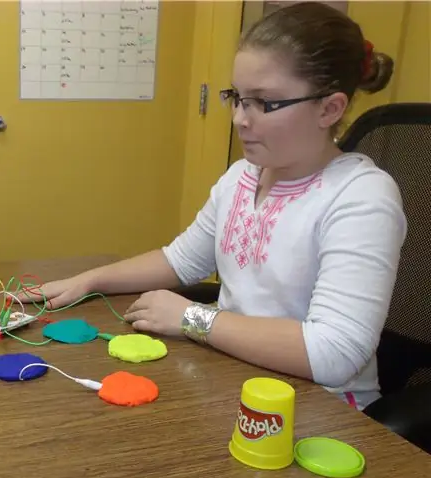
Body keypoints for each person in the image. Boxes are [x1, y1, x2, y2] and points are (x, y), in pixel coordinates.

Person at [23, 2, 407, 410]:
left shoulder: (361, 197)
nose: (240, 119)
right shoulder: (242, 176)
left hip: (320, 412)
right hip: (230, 381)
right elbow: (180, 261)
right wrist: (89, 280)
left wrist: (193, 318)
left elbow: (334, 354)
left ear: (329, 108)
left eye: (264, 103)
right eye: (237, 98)